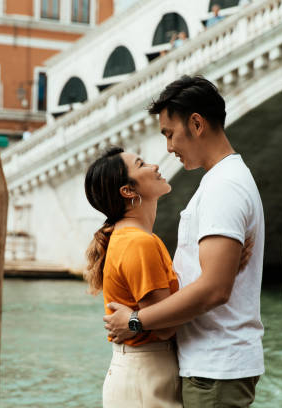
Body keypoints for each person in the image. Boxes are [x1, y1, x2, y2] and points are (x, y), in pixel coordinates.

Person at [103, 75, 265, 407]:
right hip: (210, 365)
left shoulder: (224, 187)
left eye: (169, 133)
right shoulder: (221, 182)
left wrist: (135, 320)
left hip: (215, 368)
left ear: (196, 123)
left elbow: (215, 289)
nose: (168, 148)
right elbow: (211, 280)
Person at [84, 147, 182, 407]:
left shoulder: (127, 237)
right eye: (142, 164)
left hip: (139, 373)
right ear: (128, 191)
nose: (155, 166)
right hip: (148, 377)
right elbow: (165, 326)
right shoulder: (139, 243)